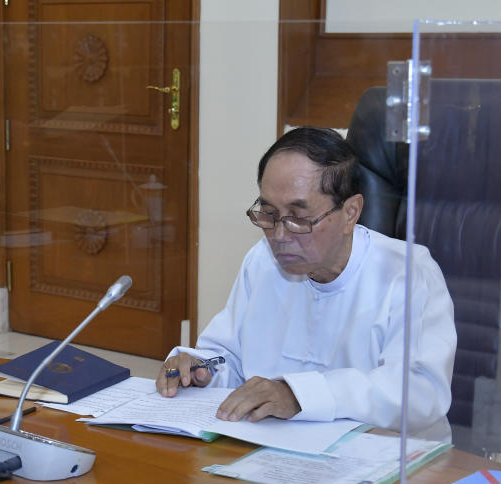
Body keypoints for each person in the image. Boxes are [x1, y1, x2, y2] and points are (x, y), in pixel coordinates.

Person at [157, 127, 456, 441]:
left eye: (299, 217)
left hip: (385, 460)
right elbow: (229, 357)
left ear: (351, 212)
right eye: (269, 214)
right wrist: (202, 368)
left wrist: (298, 395)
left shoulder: (407, 273)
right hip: (276, 452)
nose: (281, 236)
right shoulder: (262, 261)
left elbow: (420, 393)